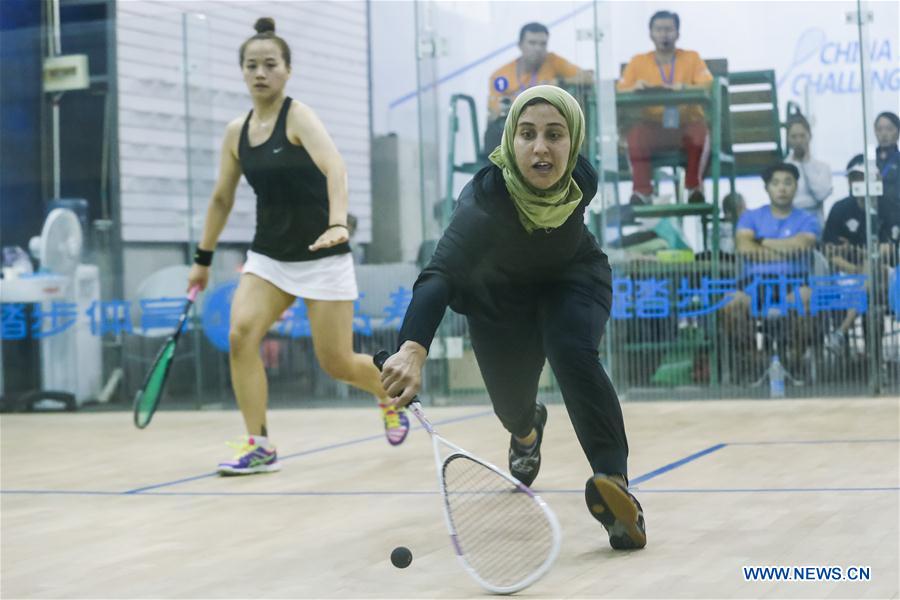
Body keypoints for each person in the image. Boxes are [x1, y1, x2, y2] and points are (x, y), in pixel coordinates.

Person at [379, 85, 647, 551]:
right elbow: (440, 274)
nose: (541, 148)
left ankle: (616, 487)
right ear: (510, 140)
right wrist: (412, 347)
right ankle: (526, 432)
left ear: (573, 142)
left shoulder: (582, 178)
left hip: (573, 280)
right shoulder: (482, 202)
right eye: (527, 134)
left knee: (571, 350)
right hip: (498, 303)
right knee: (511, 406)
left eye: (554, 135)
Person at [186, 18, 409, 476]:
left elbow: (335, 167)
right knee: (240, 335)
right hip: (269, 257)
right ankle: (259, 446)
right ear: (242, 72)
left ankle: (386, 392)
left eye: (270, 64)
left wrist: (337, 222)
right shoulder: (236, 133)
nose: (260, 73)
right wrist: (201, 260)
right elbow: (222, 198)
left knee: (337, 363)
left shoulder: (299, 117)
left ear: (287, 70)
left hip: (322, 255)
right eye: (252, 65)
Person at [721, 163, 820, 377]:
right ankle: (753, 360)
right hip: (752, 285)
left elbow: (802, 245)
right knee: (730, 303)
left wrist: (762, 241)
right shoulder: (750, 217)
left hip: (794, 282)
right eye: (775, 183)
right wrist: (786, 249)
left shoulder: (807, 219)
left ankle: (795, 359)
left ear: (796, 186)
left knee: (807, 299)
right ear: (767, 188)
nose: (782, 188)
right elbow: (745, 247)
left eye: (788, 183)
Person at [617, 10, 712, 206]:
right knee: (635, 135)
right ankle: (642, 192)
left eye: (669, 29)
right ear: (651, 34)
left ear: (678, 33)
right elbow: (620, 90)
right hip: (654, 127)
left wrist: (683, 88)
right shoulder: (638, 61)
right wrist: (635, 88)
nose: (664, 34)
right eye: (659, 29)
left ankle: (694, 188)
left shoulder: (692, 58)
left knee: (700, 132)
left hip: (686, 126)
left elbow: (707, 84)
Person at [822, 154, 900, 353]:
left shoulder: (890, 207)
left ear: (877, 180)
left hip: (887, 277)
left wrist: (855, 251)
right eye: (854, 178)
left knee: (872, 266)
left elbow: (888, 249)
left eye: (864, 178)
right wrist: (855, 268)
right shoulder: (839, 208)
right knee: (866, 281)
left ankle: (841, 332)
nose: (859, 183)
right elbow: (830, 250)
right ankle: (847, 344)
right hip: (848, 276)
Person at [485, 23, 590, 151]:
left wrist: (559, 82)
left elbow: (588, 78)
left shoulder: (553, 61)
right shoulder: (500, 75)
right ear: (520, 45)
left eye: (543, 44)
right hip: (514, 129)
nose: (538, 48)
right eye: (532, 43)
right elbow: (495, 113)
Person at [784, 113, 832, 226]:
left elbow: (821, 195)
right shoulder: (783, 168)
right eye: (794, 136)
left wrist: (805, 164)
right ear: (788, 139)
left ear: (810, 136)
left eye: (802, 136)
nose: (798, 141)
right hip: (789, 222)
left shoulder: (823, 167)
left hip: (815, 223)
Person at [875, 111, 900, 213]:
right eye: (879, 129)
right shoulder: (865, 161)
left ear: (898, 132)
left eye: (889, 129)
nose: (884, 134)